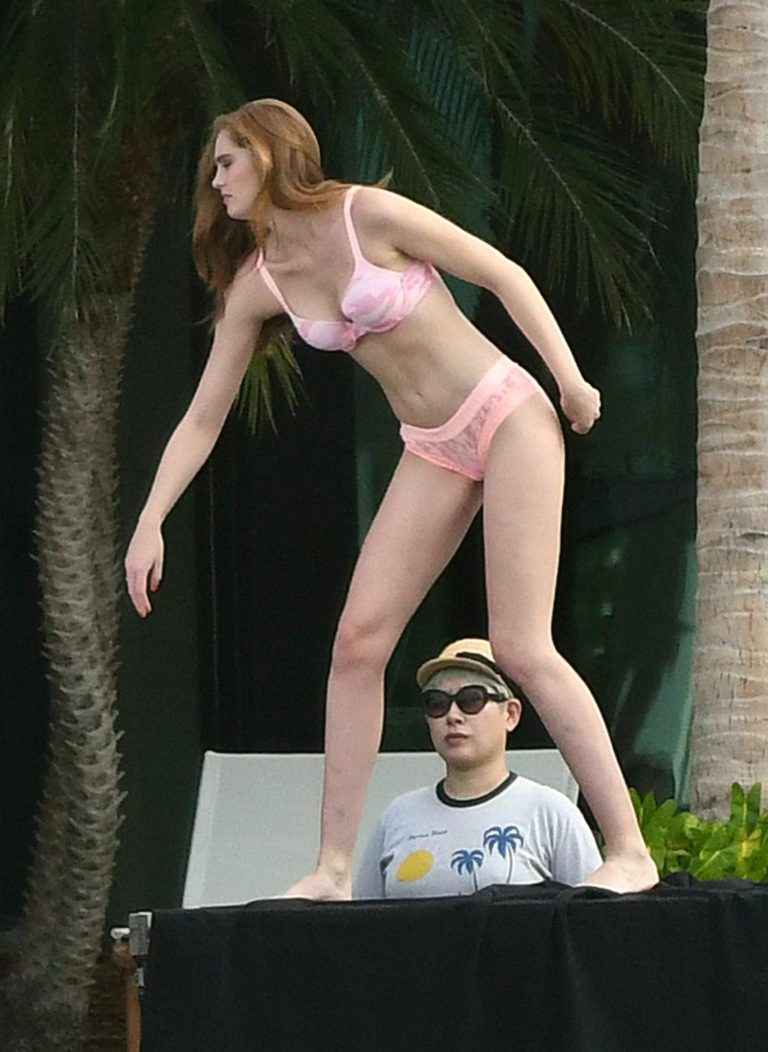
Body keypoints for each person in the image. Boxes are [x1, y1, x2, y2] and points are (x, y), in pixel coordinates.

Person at [124, 97, 657, 899]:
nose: (216, 180)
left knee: (520, 646)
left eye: (227, 161)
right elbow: (203, 418)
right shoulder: (257, 284)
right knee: (357, 643)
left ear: (267, 155)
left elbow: (499, 272)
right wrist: (150, 520)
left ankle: (629, 848)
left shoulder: (365, 215)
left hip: (506, 413)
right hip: (432, 445)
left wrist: (570, 379)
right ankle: (334, 868)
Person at [354, 639, 602, 899]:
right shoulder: (397, 817)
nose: (453, 716)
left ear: (511, 714)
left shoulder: (551, 813)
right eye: (437, 703)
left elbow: (591, 913)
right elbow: (363, 918)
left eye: (471, 699)